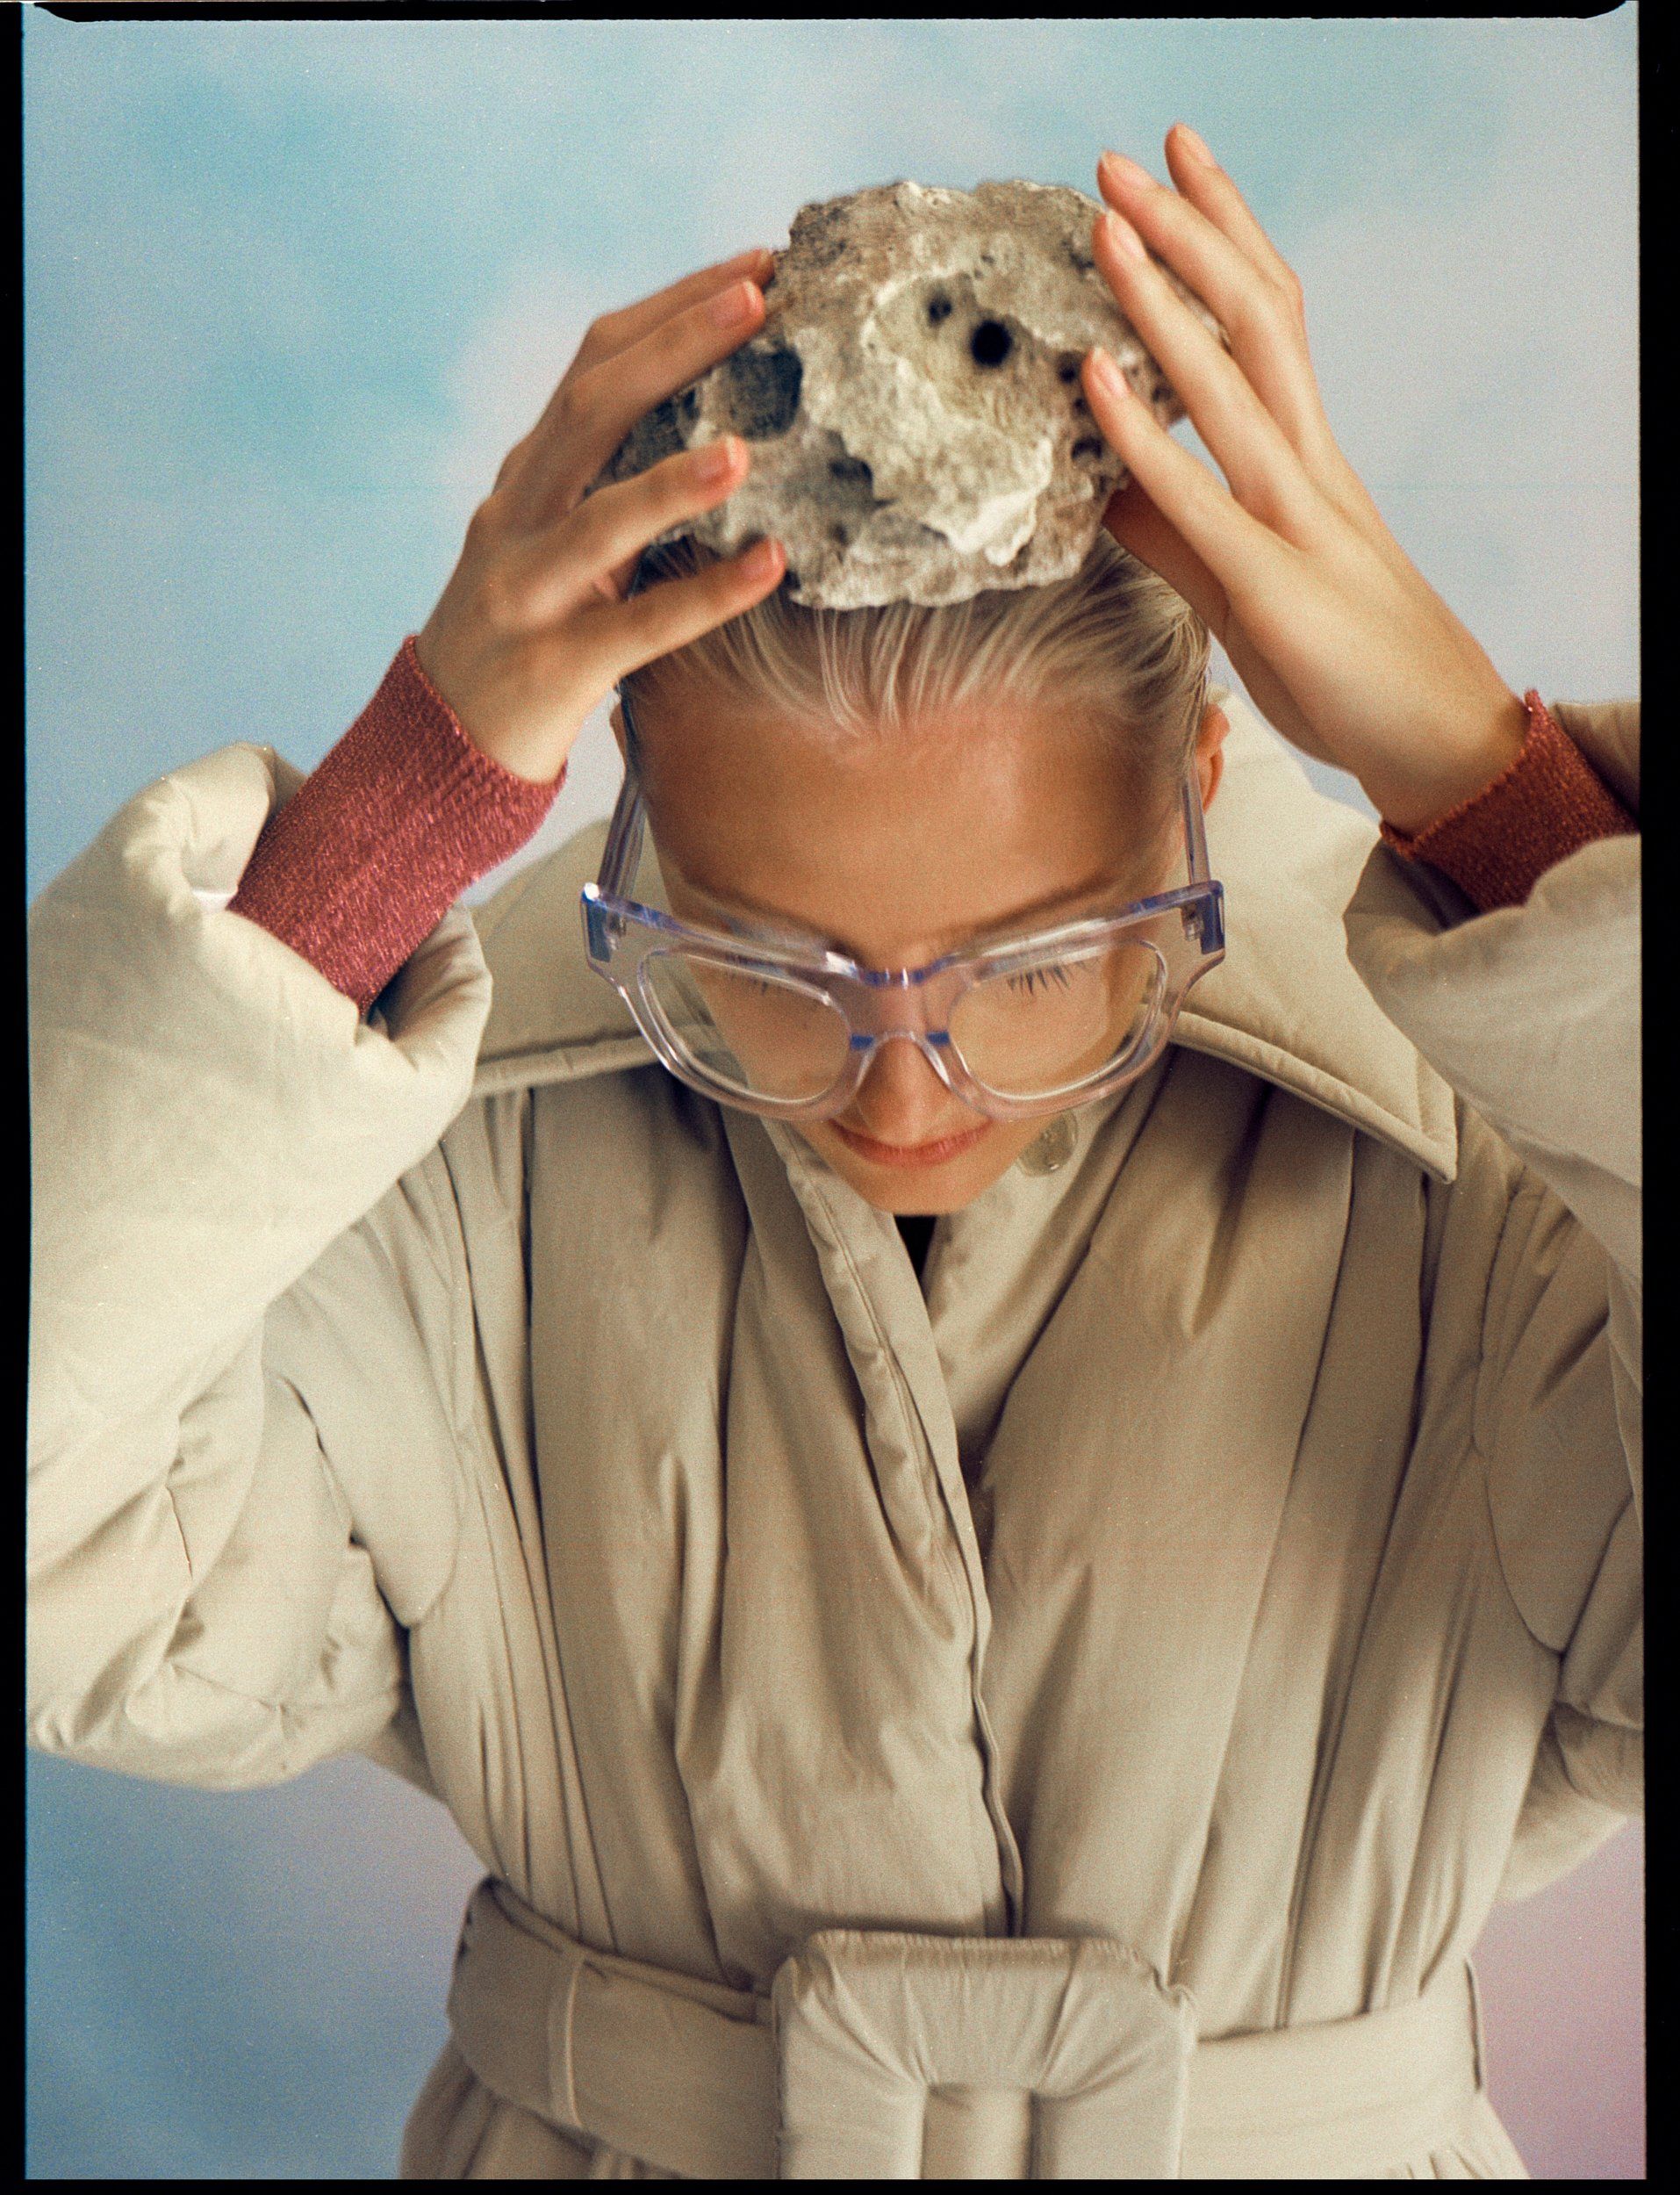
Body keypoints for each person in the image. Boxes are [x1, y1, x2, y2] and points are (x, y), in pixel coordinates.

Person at [28, 128, 1639, 2179]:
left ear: (1205, 783)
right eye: (769, 963)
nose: (902, 1090)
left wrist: (1493, 793)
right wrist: (390, 815)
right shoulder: (424, 1144)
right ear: (632, 802)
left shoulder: (1512, 1134)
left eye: (1040, 959)